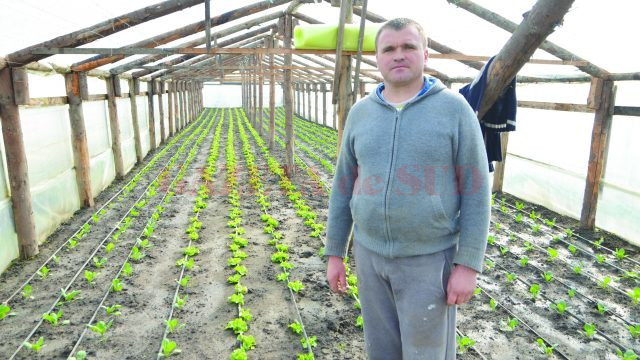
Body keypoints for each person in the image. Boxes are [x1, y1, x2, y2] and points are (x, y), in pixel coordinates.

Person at [325, 18, 490, 360]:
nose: (398, 55)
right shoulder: (360, 113)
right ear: (377, 58)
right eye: (389, 49)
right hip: (370, 258)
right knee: (381, 350)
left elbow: (476, 191)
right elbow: (343, 185)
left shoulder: (454, 110)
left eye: (408, 47)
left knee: (426, 353)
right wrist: (335, 252)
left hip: (428, 261)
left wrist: (468, 264)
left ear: (425, 54)